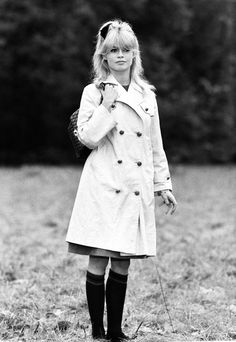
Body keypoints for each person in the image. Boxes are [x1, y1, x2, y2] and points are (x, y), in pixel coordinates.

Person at [66, 19, 177, 342]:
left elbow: (154, 144)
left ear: (134, 54)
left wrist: (163, 185)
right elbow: (86, 138)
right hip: (103, 183)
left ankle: (115, 331)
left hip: (134, 185)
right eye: (113, 50)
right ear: (103, 56)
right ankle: (97, 331)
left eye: (126, 50)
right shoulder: (93, 92)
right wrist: (107, 105)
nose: (120, 55)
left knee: (124, 262)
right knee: (99, 257)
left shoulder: (147, 95)